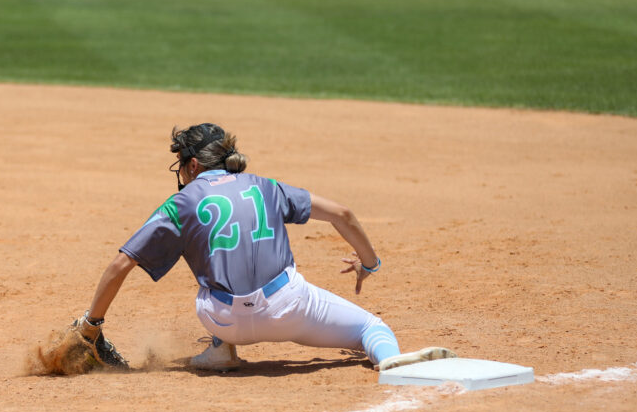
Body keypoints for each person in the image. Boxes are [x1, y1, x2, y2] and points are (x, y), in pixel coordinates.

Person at [74, 123, 455, 373]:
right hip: (290, 309)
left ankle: (222, 348)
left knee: (209, 272)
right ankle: (390, 361)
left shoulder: (181, 203)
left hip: (220, 318)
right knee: (372, 328)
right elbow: (343, 214)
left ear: (192, 165)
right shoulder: (265, 186)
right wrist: (368, 265)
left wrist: (92, 324)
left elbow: (120, 265)